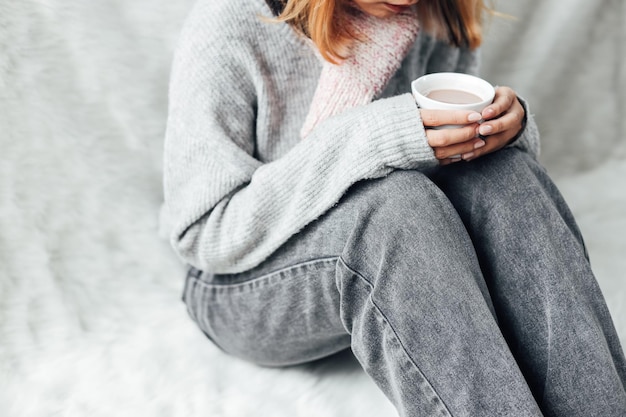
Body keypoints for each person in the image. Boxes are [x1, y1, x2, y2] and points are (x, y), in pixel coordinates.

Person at [162, 0, 626, 415]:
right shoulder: (231, 20)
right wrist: (380, 135)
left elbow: (448, 185)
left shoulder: (431, 12)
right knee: (394, 206)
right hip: (239, 286)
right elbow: (203, 233)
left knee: (504, 174)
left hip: (387, 256)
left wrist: (500, 132)